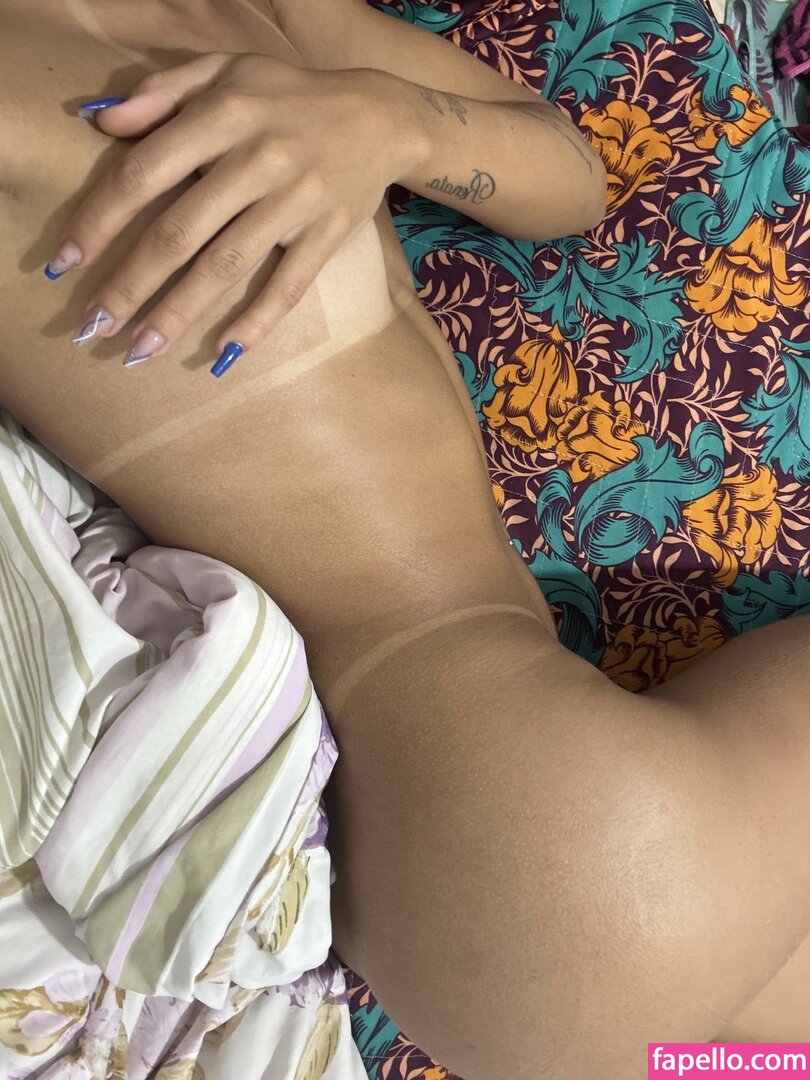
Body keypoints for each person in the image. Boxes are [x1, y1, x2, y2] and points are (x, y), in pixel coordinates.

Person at [1, 0, 810, 1077]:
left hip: (496, 934)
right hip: (552, 832)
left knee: (725, 1043)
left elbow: (574, 176)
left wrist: (389, 122)